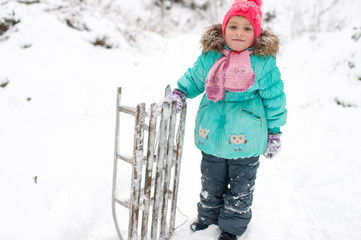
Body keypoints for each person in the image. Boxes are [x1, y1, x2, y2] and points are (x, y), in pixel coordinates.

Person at [162, 0, 287, 239]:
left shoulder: (262, 63)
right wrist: (180, 92)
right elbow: (196, 78)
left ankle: (231, 227)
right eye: (233, 26)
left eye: (247, 28)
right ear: (223, 29)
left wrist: (274, 132)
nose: (239, 32)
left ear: (256, 34)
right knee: (211, 182)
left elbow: (275, 98)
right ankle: (208, 218)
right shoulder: (211, 56)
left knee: (240, 189)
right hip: (212, 137)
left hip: (247, 140)